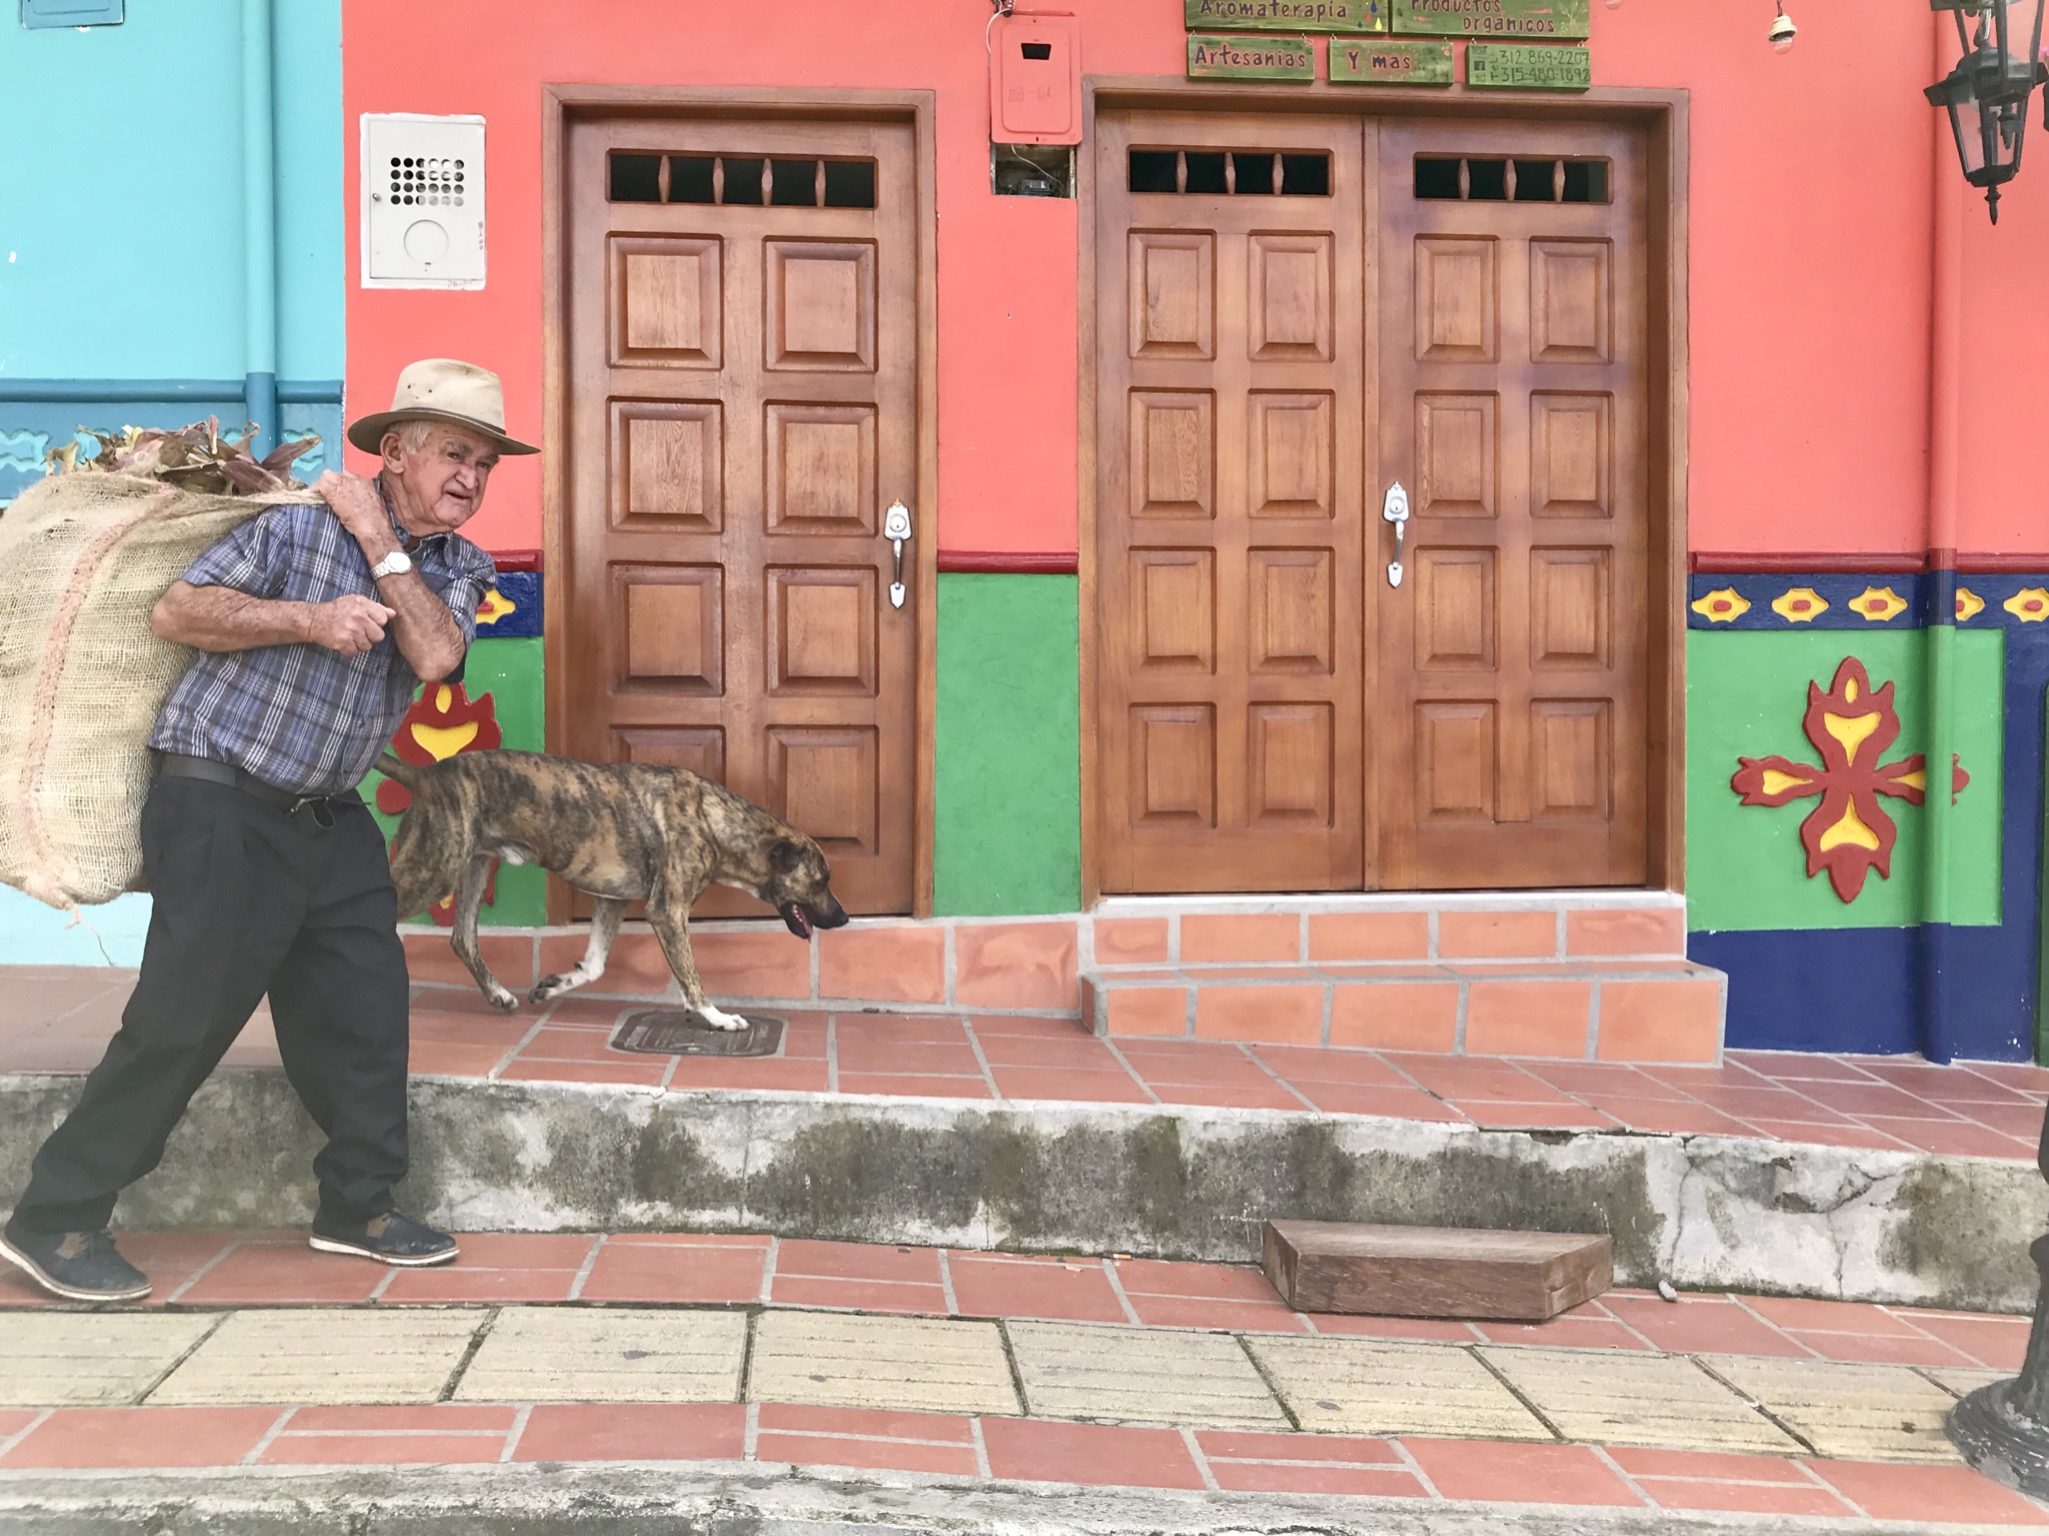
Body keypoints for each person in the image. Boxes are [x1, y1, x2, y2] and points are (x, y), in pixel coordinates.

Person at [0, 359, 536, 1301]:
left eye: (485, 464)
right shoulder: (292, 523)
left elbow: (437, 654)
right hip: (220, 801)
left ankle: (357, 1206)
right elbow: (180, 609)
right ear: (397, 450)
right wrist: (310, 617)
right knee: (182, 1021)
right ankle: (56, 1217)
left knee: (364, 1013)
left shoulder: (457, 566)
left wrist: (380, 544)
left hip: (327, 820)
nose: (470, 478)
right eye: (455, 453)